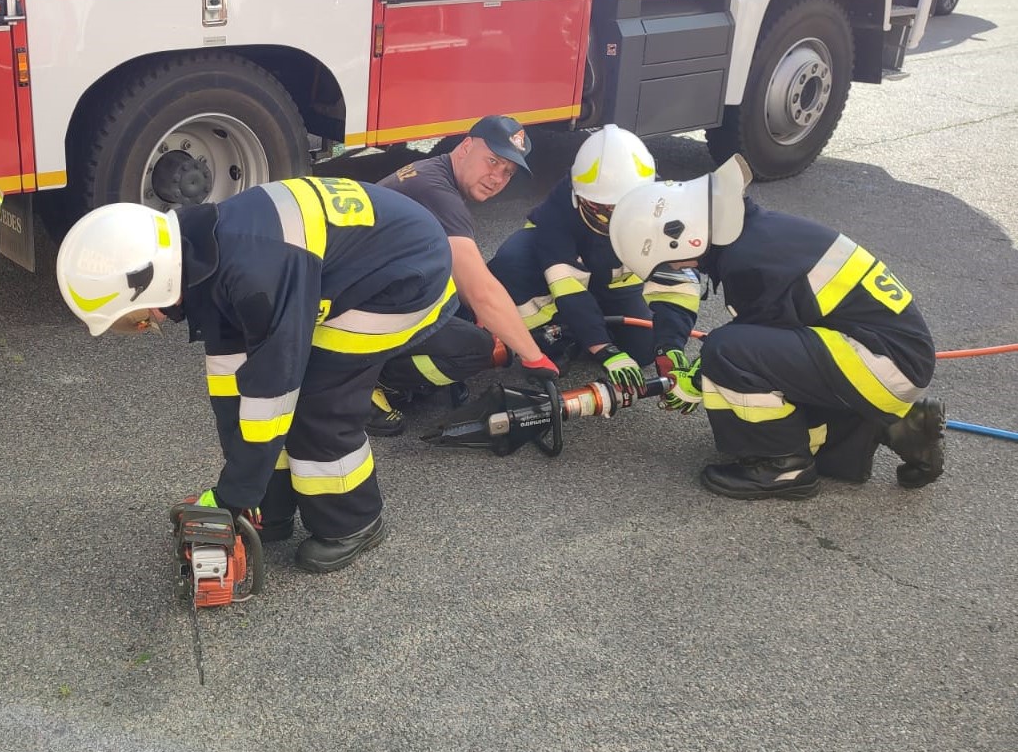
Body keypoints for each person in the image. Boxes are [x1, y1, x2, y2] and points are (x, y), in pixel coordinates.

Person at [56, 177, 457, 574]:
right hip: (357, 259)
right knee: (268, 408)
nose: (156, 323)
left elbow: (273, 390)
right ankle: (272, 509)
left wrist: (231, 496)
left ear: (153, 282)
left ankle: (354, 523)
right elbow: (231, 380)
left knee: (318, 404)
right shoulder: (204, 257)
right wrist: (245, 494)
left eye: (146, 319)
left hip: (405, 274)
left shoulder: (255, 275)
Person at [609, 156, 945, 499]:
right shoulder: (758, 232)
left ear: (685, 238)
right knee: (751, 373)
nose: (679, 269)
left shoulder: (747, 263)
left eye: (671, 263)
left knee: (725, 353)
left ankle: (785, 468)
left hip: (881, 362)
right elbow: (777, 341)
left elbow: (747, 353)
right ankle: (903, 426)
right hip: (890, 355)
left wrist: (693, 381)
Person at [369, 116, 559, 435]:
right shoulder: (437, 193)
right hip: (356, 309)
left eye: (508, 172)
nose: (497, 178)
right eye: (493, 161)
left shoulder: (431, 173)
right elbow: (481, 290)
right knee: (475, 348)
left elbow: (457, 270)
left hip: (366, 287)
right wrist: (534, 356)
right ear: (466, 146)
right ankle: (368, 383)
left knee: (464, 312)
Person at [487, 124, 701, 406]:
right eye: (600, 208)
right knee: (513, 261)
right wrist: (603, 348)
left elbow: (678, 284)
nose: (609, 217)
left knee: (644, 350)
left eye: (618, 208)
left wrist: (671, 346)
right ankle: (562, 334)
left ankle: (583, 328)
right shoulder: (561, 203)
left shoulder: (667, 209)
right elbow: (567, 285)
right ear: (579, 194)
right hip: (560, 273)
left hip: (614, 284)